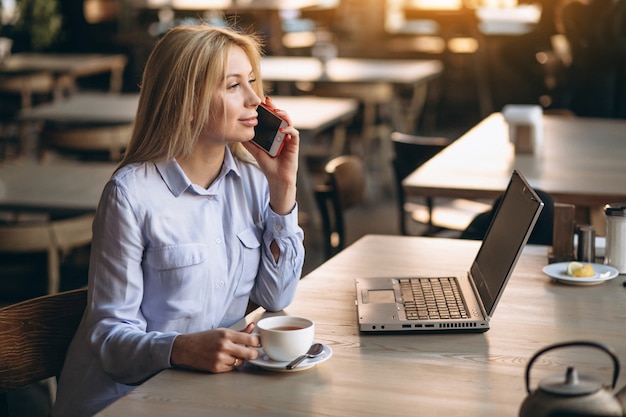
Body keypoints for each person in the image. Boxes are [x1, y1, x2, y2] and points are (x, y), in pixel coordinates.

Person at [52, 24, 305, 417]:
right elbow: (108, 339)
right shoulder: (130, 195)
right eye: (233, 86)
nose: (256, 99)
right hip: (120, 402)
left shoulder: (254, 182)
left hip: (203, 395)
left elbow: (277, 297)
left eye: (252, 82)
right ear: (187, 102)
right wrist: (180, 348)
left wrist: (282, 187)